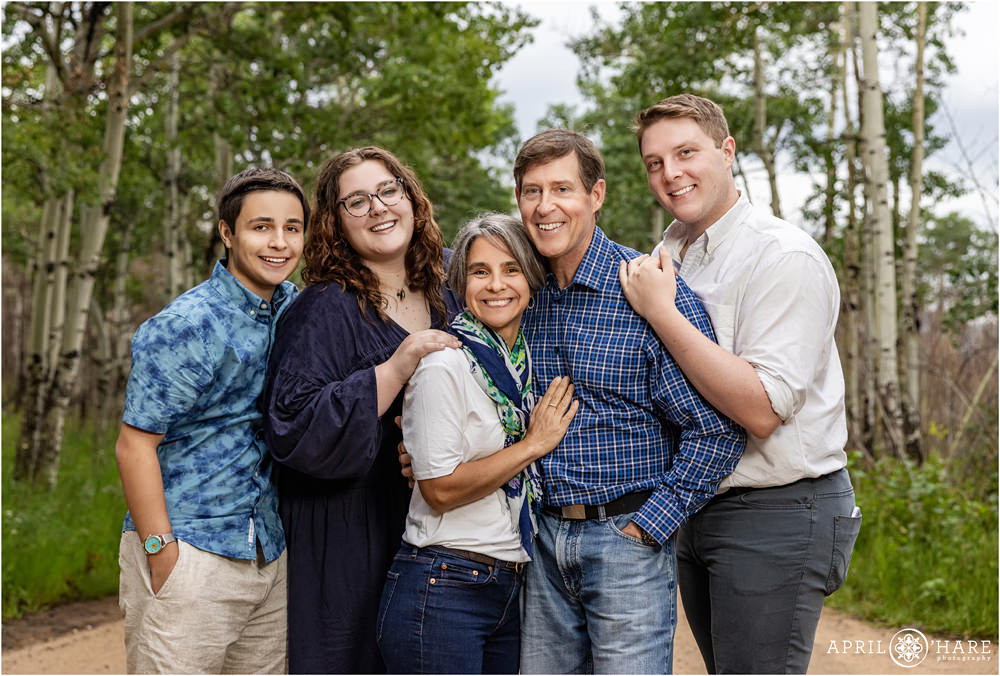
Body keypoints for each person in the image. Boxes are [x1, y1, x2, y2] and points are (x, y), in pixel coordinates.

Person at [619, 93, 862, 674]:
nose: (670, 173)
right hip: (697, 504)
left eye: (686, 153)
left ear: (727, 152)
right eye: (655, 162)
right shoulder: (673, 250)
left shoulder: (782, 256)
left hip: (778, 508)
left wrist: (663, 313)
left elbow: (761, 408)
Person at [512, 129, 746, 674]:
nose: (545, 206)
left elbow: (716, 429)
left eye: (562, 189)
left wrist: (648, 526)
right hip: (539, 543)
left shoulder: (649, 291)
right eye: (530, 191)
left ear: (596, 196)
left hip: (625, 543)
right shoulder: (521, 291)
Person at [261, 146, 463, 674]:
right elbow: (292, 427)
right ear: (335, 223)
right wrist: (395, 368)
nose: (378, 208)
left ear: (410, 198)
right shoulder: (322, 309)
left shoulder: (451, 288)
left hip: (439, 529)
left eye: (387, 190)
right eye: (356, 201)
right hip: (348, 533)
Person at [115, 167, 308, 674]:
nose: (280, 242)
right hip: (191, 551)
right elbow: (134, 446)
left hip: (269, 553)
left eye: (292, 228)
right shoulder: (186, 326)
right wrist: (162, 554)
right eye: (261, 226)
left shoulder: (294, 309)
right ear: (227, 232)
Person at [377, 213, 579, 674]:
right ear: (460, 283)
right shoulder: (444, 365)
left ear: (530, 277)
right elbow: (439, 490)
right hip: (443, 585)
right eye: (480, 272)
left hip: (506, 584)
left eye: (510, 269)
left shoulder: (522, 368)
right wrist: (531, 445)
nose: (496, 285)